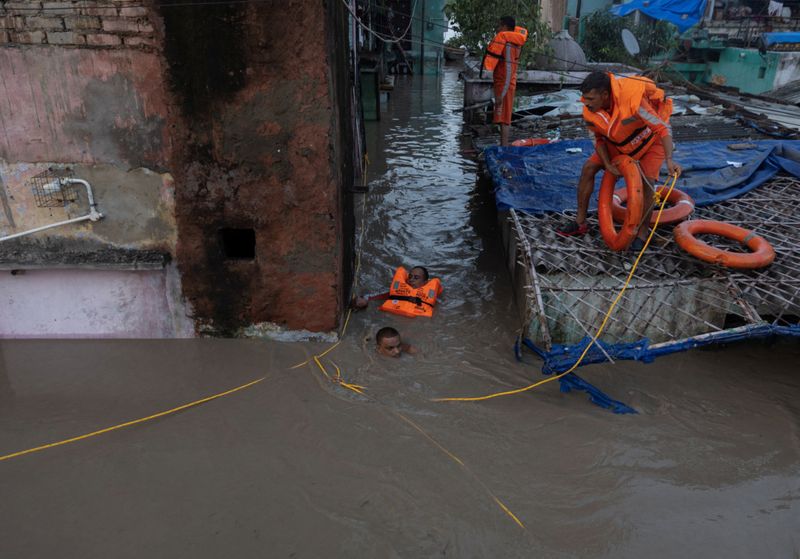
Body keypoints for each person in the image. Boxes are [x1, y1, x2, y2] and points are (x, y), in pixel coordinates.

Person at [557, 71, 682, 250]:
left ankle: (642, 233)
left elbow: (662, 129)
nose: (586, 103)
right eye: (584, 98)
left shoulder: (635, 103)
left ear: (605, 95)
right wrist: (608, 164)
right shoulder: (590, 111)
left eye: (591, 98)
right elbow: (598, 140)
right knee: (588, 168)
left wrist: (670, 159)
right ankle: (580, 223)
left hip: (649, 143)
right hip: (618, 142)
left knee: (647, 181)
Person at [482, 16, 528, 147]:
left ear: (505, 27)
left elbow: (508, 70)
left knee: (505, 119)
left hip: (505, 85)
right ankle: (503, 145)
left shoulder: (507, 43)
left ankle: (504, 147)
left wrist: (501, 95)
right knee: (502, 117)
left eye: (499, 26)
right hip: (504, 83)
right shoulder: (512, 40)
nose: (497, 29)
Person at [352, 266, 442, 320]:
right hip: (390, 318)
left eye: (416, 278)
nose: (411, 279)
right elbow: (373, 297)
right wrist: (365, 299)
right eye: (410, 276)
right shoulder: (398, 291)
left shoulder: (431, 299)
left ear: (425, 282)